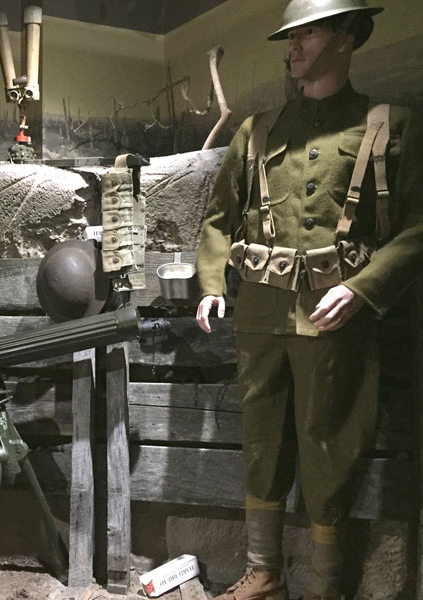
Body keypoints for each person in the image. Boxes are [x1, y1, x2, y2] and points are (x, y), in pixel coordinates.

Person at [194, 1, 423, 599]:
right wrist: (213, 284)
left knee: (331, 446)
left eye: (309, 33)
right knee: (262, 440)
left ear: (347, 36)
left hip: (336, 315)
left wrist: (362, 288)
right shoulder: (258, 130)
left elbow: (417, 227)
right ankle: (264, 572)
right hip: (260, 314)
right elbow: (219, 218)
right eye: (289, 38)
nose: (293, 48)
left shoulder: (393, 124)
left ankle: (325, 587)